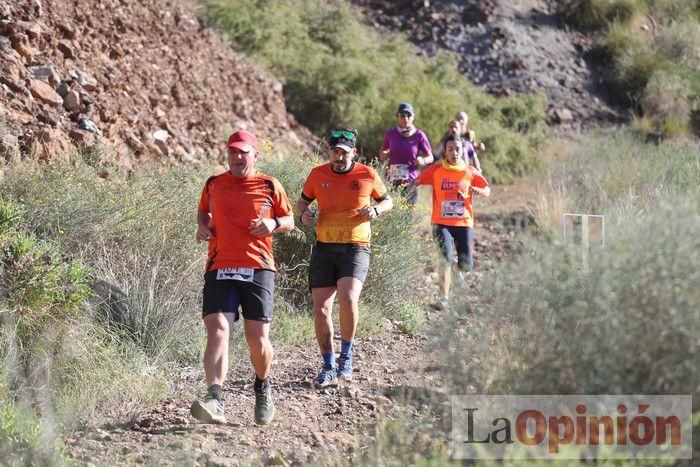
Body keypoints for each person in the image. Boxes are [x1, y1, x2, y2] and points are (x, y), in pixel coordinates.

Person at [191, 130, 294, 425]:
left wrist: (272, 223)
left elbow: (289, 221)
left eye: (243, 153)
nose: (237, 158)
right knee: (218, 329)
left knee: (257, 339)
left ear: (255, 155)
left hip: (258, 269)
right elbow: (202, 213)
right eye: (232, 152)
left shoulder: (269, 184)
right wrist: (203, 227)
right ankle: (215, 398)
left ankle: (262, 386)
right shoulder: (214, 184)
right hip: (220, 267)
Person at [296, 129, 393, 387]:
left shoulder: (367, 174)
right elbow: (301, 203)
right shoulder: (317, 174)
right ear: (330, 152)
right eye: (335, 152)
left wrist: (375, 209)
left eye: (344, 152)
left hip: (355, 246)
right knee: (321, 309)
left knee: (348, 298)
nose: (339, 157)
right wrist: (304, 215)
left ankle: (346, 357)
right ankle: (328, 364)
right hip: (324, 247)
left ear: (354, 153)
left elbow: (388, 201)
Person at [415, 135, 490, 310]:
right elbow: (416, 182)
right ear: (445, 151)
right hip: (441, 223)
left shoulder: (469, 171)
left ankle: (458, 273)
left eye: (458, 149)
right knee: (445, 259)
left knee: (466, 264)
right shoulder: (436, 170)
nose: (454, 152)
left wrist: (479, 190)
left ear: (463, 151)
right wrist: (405, 191)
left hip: (464, 222)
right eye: (450, 149)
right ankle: (444, 298)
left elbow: (487, 188)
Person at [379, 102, 433, 204]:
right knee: (392, 214)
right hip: (392, 182)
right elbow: (383, 151)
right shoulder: (390, 134)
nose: (405, 118)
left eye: (409, 115)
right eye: (402, 115)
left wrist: (423, 160)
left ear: (413, 117)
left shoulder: (419, 135)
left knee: (408, 216)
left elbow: (430, 157)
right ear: (397, 117)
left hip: (411, 182)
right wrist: (384, 154)